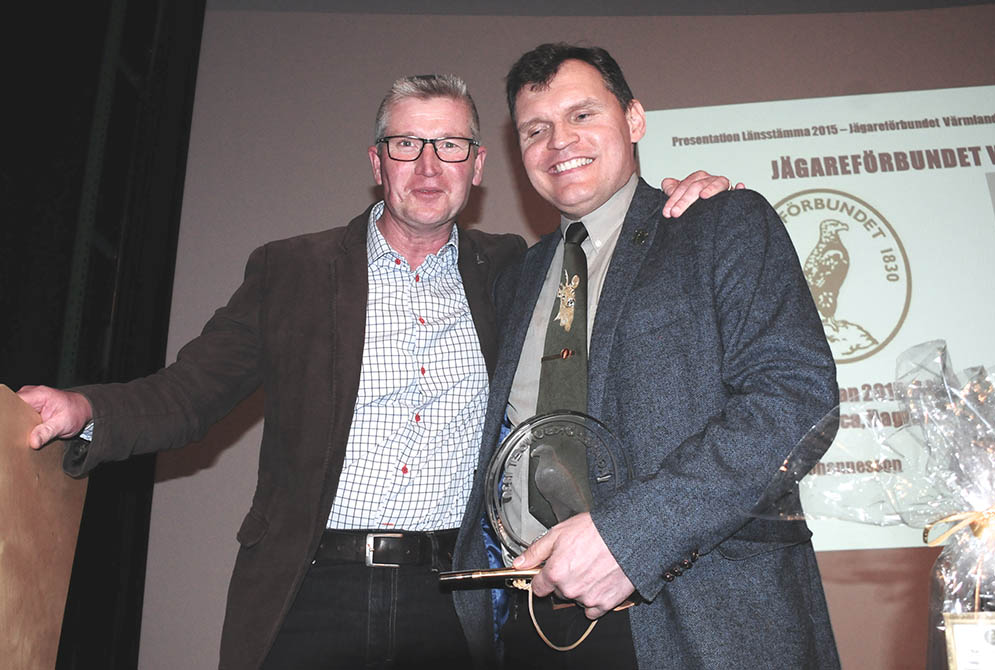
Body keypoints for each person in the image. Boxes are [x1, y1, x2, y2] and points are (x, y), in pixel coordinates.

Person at [17, 72, 730, 669]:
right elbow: (187, 393)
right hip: (307, 590)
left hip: (451, 600)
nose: (428, 167)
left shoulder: (513, 270)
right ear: (376, 161)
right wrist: (89, 411)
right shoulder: (291, 270)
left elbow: (612, 265)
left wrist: (682, 208)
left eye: (450, 146)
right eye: (406, 145)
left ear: (478, 165)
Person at [451, 44, 840, 670]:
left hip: (701, 620)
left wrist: (628, 539)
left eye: (582, 115)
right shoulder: (515, 278)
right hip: (530, 620)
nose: (559, 141)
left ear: (634, 119)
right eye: (535, 130)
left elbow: (794, 397)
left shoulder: (719, 223)